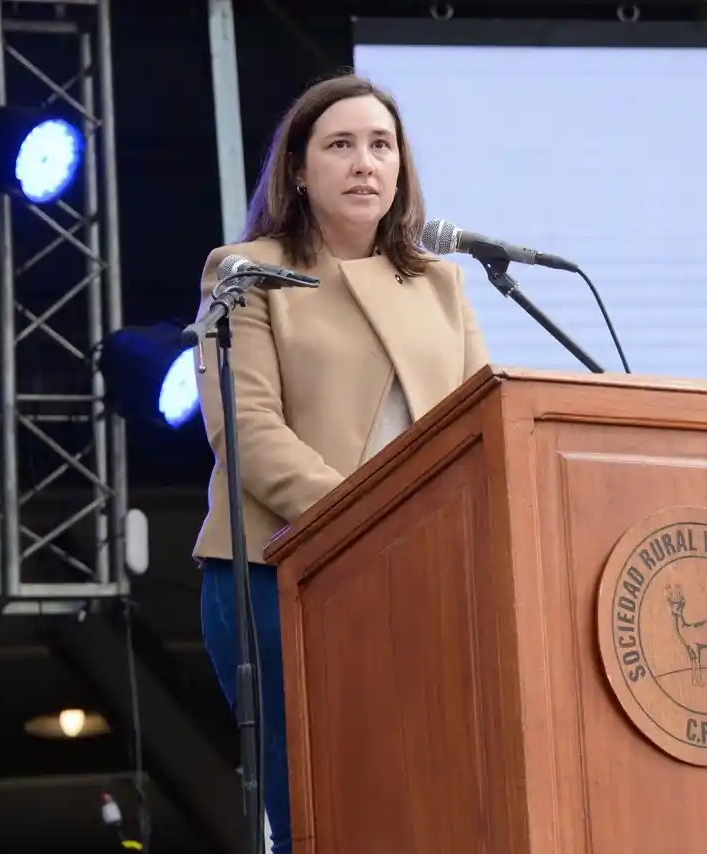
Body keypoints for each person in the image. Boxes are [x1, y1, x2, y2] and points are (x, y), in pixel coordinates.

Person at [190, 72, 489, 854]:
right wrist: (365, 520)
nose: (365, 162)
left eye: (381, 145)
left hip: (418, 575)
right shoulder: (246, 271)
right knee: (323, 814)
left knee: (428, 805)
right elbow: (246, 430)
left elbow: (486, 432)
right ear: (298, 169)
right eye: (341, 145)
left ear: (400, 170)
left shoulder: (444, 285)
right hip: (275, 574)